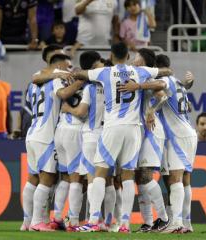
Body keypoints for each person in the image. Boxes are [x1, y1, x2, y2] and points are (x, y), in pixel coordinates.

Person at [73, 42, 172, 233]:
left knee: (100, 172)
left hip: (112, 127)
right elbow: (166, 72)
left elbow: (83, 74)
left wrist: (73, 73)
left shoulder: (105, 72)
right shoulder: (141, 72)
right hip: (134, 129)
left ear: (111, 55)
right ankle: (125, 224)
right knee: (128, 176)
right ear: (128, 56)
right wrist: (142, 83)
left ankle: (93, 221)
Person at [23, 54, 86, 232]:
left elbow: (35, 78)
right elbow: (64, 93)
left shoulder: (36, 81)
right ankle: (37, 221)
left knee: (32, 179)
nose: (69, 71)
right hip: (45, 135)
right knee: (47, 179)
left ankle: (27, 221)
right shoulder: (57, 79)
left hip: (33, 133)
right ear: (59, 66)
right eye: (67, 67)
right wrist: (81, 79)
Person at [59, 51, 115, 231]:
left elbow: (82, 112)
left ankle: (89, 220)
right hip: (110, 134)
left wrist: (68, 109)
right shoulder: (112, 84)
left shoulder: (90, 87)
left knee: (91, 179)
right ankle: (108, 221)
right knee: (109, 180)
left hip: (91, 134)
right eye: (100, 61)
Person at [149, 54, 197, 233]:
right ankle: (187, 223)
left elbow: (160, 92)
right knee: (185, 180)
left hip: (178, 135)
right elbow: (189, 106)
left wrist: (152, 109)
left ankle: (176, 223)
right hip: (189, 132)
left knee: (175, 178)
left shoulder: (164, 82)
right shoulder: (177, 82)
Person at [132, 48, 169, 233]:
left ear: (143, 60)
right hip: (140, 131)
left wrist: (152, 111)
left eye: (137, 56)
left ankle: (164, 218)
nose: (133, 58)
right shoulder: (137, 76)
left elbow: (162, 94)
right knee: (139, 178)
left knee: (146, 175)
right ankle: (147, 222)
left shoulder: (147, 77)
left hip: (152, 131)